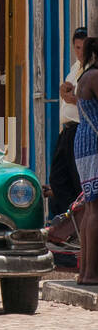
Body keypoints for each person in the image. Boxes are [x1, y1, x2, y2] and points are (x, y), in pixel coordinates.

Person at [46, 26, 86, 217]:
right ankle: (69, 219)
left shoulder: (92, 70)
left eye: (84, 47)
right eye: (77, 48)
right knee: (58, 178)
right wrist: (63, 92)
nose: (80, 52)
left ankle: (77, 220)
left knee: (76, 180)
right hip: (68, 130)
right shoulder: (75, 68)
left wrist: (74, 100)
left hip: (82, 130)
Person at [73, 37, 98, 285]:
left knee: (90, 208)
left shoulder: (85, 75)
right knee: (94, 209)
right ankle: (91, 272)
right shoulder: (95, 76)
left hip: (84, 143)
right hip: (94, 145)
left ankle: (85, 273)